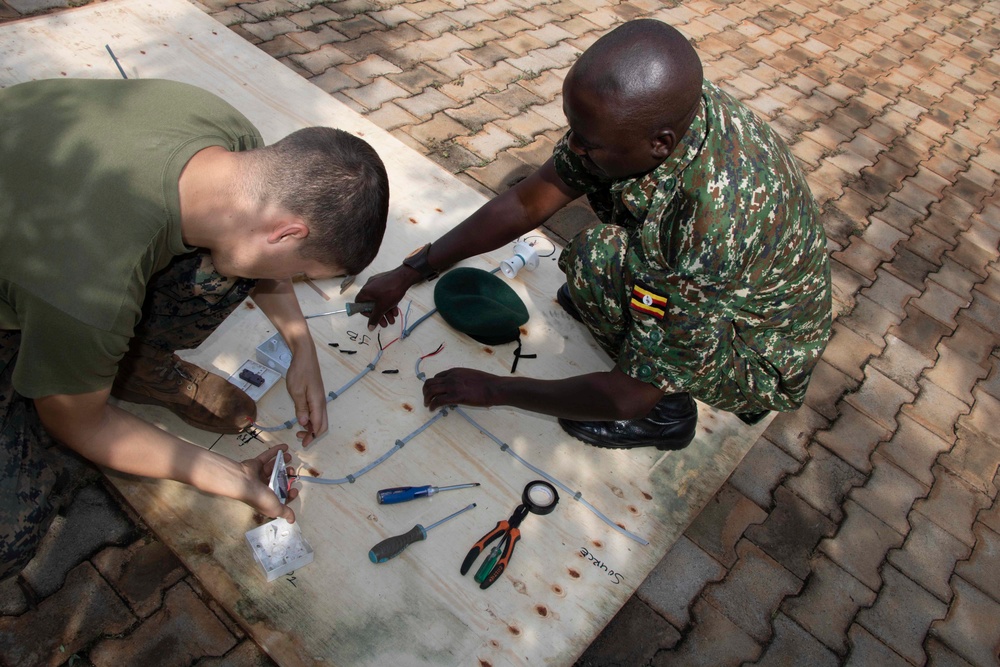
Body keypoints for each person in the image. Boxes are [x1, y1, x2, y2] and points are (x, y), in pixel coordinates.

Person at [356, 19, 831, 451]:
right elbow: (529, 199)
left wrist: (495, 389)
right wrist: (413, 268)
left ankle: (667, 416)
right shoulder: (657, 113)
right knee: (597, 261)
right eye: (574, 129)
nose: (574, 147)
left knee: (595, 261)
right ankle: (630, 312)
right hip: (717, 282)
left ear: (659, 142)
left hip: (754, 351)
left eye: (589, 142)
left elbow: (627, 395)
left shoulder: (704, 231)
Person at [0, 78, 389, 579]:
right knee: (12, 531)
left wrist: (302, 348)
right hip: (58, 278)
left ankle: (133, 364)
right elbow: (78, 424)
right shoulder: (93, 290)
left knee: (230, 266)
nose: (289, 282)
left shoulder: (234, 143)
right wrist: (228, 477)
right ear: (287, 232)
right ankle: (76, 370)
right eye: (301, 272)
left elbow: (259, 257)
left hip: (40, 203)